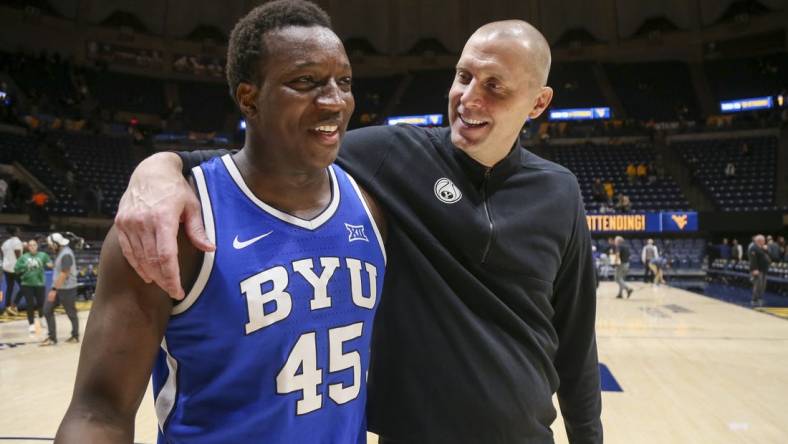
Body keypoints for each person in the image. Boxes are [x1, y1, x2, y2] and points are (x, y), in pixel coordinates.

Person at [113, 16, 602, 444]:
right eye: (463, 76)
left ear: (538, 104)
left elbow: (576, 343)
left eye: (495, 86)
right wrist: (161, 167)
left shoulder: (560, 193)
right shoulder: (394, 154)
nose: (468, 98)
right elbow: (262, 158)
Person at [57, 2, 386, 442]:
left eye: (343, 82)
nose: (333, 101)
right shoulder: (172, 224)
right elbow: (99, 411)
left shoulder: (370, 207)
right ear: (249, 97)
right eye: (305, 81)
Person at [40, 232, 79, 346]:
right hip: (59, 287)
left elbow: (64, 274)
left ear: (56, 244)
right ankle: (52, 338)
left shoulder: (66, 254)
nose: (50, 246)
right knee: (47, 310)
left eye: (51, 244)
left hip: (67, 289)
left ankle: (75, 335)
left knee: (71, 313)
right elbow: (61, 269)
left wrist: (53, 289)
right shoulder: (60, 252)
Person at [14, 238, 50, 333]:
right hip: (27, 284)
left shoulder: (43, 255)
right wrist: (24, 267)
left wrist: (52, 265)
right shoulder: (23, 257)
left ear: (37, 246)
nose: (32, 247)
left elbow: (50, 264)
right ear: (28, 247)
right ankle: (31, 324)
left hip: (40, 283)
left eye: (34, 245)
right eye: (30, 245)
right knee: (29, 304)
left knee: (41, 303)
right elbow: (16, 269)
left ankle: (41, 319)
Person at [1, 226, 24, 315]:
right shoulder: (17, 242)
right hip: (15, 269)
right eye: (19, 230)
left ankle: (7, 308)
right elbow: (18, 257)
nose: (20, 232)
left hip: (6, 268)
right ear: (16, 232)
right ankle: (13, 306)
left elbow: (3, 255)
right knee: (24, 287)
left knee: (9, 288)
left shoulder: (5, 242)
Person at [749, 234, 770, 307]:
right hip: (758, 270)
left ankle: (760, 298)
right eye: (763, 240)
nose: (764, 241)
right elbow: (753, 260)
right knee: (758, 285)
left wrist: (766, 250)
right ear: (759, 241)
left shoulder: (761, 248)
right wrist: (755, 269)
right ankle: (754, 300)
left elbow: (767, 256)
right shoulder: (753, 248)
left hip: (764, 270)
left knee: (763, 286)